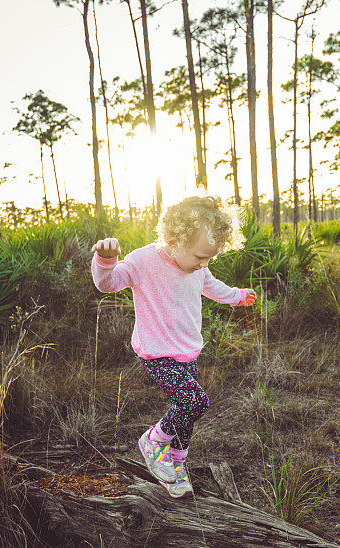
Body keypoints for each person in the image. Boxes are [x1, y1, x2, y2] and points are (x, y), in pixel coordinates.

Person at [90, 195, 257, 498]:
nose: (203, 266)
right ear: (174, 238)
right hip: (157, 352)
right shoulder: (143, 260)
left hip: (187, 349)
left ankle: (176, 467)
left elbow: (212, 286)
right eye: (199, 258)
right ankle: (153, 444)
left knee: (187, 414)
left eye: (209, 260)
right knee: (194, 403)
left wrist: (237, 296)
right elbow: (107, 283)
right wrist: (106, 259)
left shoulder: (196, 267)